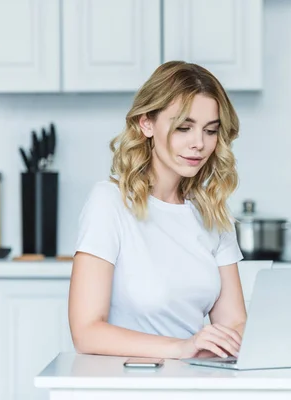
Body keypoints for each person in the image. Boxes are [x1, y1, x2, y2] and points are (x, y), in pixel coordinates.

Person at [68, 61, 246, 360]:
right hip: (127, 382)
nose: (199, 144)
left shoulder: (213, 213)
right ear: (146, 123)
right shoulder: (109, 202)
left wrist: (210, 349)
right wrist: (183, 348)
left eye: (210, 131)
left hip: (193, 380)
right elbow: (86, 331)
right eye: (183, 128)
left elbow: (234, 322)